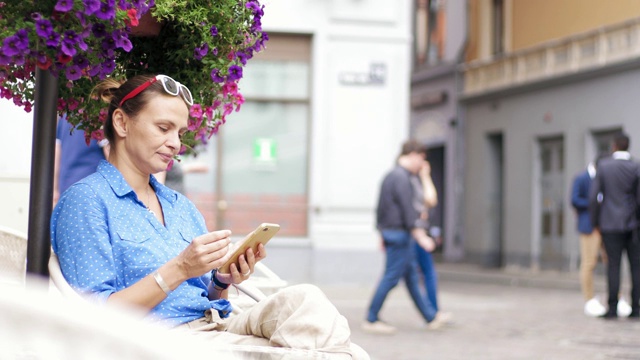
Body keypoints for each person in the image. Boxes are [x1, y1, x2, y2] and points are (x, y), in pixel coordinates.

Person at [50, 74, 366, 359]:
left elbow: (211, 298)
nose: (175, 143)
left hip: (217, 329)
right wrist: (177, 269)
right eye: (163, 128)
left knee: (307, 301)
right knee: (340, 352)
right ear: (121, 123)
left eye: (179, 132)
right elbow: (92, 317)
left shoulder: (180, 206)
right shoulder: (86, 201)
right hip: (158, 342)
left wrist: (222, 279)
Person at [363, 140, 450, 334]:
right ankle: (371, 317)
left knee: (410, 277)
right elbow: (407, 210)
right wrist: (420, 236)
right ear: (412, 154)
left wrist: (382, 231)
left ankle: (430, 316)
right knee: (391, 277)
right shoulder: (401, 178)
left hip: (395, 233)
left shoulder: (393, 176)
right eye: (421, 158)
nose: (422, 163)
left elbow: (381, 209)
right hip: (399, 234)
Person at [589, 132, 640, 319]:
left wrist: (595, 222)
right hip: (633, 225)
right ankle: (636, 307)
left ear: (614, 146)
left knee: (613, 266)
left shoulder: (604, 166)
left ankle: (612, 308)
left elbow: (594, 198)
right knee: (636, 266)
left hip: (610, 224)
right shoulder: (635, 166)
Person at [410, 151, 449, 319]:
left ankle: (432, 313)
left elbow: (432, 200)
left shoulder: (413, 179)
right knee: (420, 274)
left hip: (417, 234)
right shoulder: (409, 180)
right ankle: (432, 313)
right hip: (414, 235)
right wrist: (425, 176)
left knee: (421, 274)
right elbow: (431, 199)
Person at [571, 159, 607, 317]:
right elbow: (574, 199)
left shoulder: (604, 177)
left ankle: (616, 297)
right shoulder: (582, 178)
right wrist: (593, 203)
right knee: (588, 262)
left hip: (605, 226)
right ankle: (589, 299)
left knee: (611, 262)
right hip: (588, 226)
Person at [53, 114, 108, 206]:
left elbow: (56, 150)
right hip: (93, 186)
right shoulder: (99, 111)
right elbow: (109, 150)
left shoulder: (67, 111)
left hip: (67, 184)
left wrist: (55, 190)